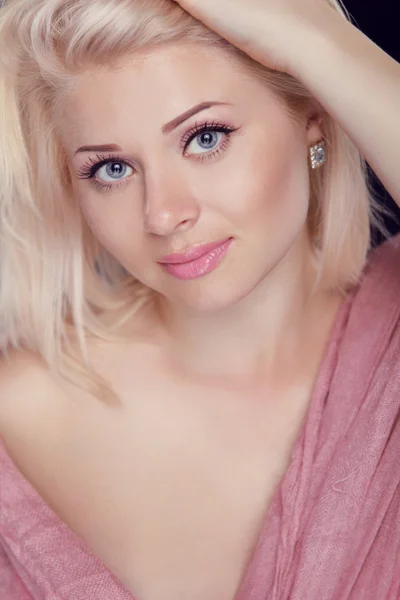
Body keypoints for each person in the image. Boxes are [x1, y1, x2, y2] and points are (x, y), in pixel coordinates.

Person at [0, 0, 399, 598]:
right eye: (111, 169)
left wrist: (320, 39)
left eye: (204, 137)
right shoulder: (21, 414)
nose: (163, 213)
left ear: (314, 113)